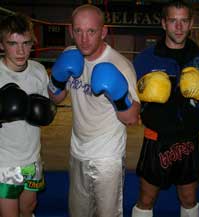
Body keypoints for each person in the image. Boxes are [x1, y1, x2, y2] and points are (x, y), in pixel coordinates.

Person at [47, 4, 140, 217]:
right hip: (77, 151)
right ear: (71, 31)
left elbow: (132, 118)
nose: (84, 39)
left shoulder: (120, 65)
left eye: (91, 31)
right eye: (78, 31)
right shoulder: (69, 55)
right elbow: (56, 97)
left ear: (103, 31)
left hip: (107, 157)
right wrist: (57, 79)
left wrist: (118, 95)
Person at [131, 1, 199, 217]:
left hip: (189, 139)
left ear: (191, 24)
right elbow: (133, 102)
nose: (178, 27)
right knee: (146, 198)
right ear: (163, 23)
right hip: (155, 139)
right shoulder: (145, 59)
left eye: (184, 21)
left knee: (189, 198)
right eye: (173, 21)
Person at [0, 13, 56, 217]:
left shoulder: (38, 70)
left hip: (32, 157)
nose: (21, 50)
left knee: (28, 208)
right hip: (4, 161)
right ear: (1, 45)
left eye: (26, 43)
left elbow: (45, 110)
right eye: (13, 43)